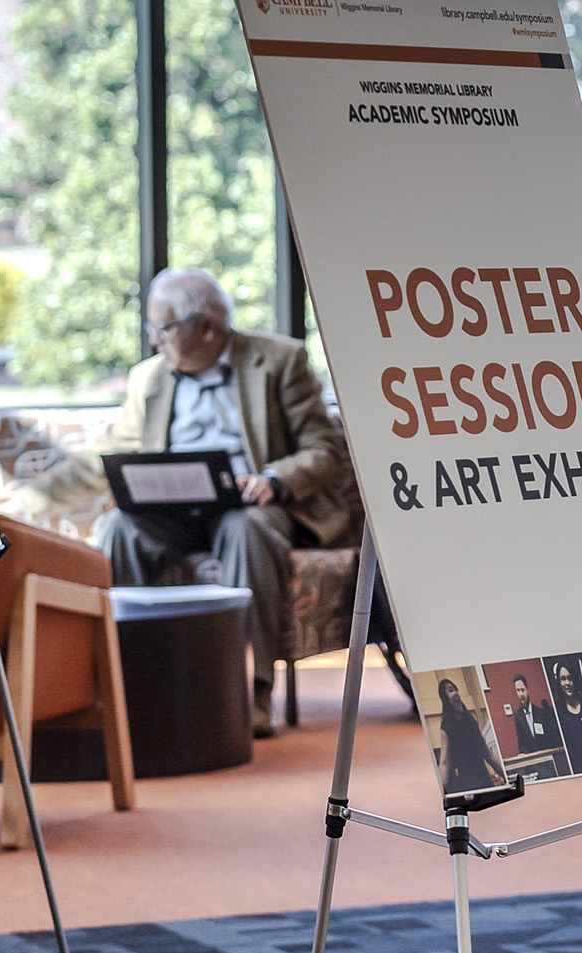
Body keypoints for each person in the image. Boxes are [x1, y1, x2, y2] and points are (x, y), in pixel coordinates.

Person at [20, 267, 360, 737]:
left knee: (247, 529)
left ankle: (248, 693)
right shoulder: (149, 379)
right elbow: (102, 458)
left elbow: (324, 450)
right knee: (119, 527)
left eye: (162, 329)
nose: (153, 340)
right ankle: (127, 688)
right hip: (173, 510)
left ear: (206, 328)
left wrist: (273, 479)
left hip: (251, 505)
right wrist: (28, 501)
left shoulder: (280, 361)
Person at [432, 676, 504, 795]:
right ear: (445, 698)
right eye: (451, 690)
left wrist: (505, 776)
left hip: (484, 779)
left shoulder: (470, 721)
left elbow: (488, 754)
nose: (456, 693)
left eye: (456, 689)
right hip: (466, 783)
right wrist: (441, 792)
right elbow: (445, 762)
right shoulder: (447, 726)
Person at [506, 672, 561, 756]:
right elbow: (521, 743)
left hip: (546, 755)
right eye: (518, 690)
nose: (521, 694)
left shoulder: (540, 712)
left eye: (522, 690)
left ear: (528, 690)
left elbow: (550, 738)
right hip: (532, 758)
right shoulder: (518, 716)